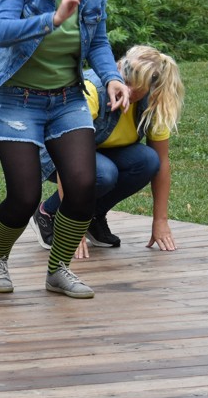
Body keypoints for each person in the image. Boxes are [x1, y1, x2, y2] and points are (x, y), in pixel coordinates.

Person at [0, 0, 129, 299]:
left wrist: (113, 78)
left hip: (67, 98)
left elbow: (98, 40)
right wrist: (53, 18)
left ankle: (58, 270)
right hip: (16, 100)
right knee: (24, 196)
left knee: (83, 185)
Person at [32, 45, 186, 255]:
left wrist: (160, 220)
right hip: (55, 154)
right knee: (103, 173)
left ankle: (92, 216)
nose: (127, 91)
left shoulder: (154, 101)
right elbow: (67, 156)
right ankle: (49, 213)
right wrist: (71, 226)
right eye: (125, 82)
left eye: (136, 89)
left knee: (148, 161)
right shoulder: (92, 90)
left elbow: (162, 162)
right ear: (118, 67)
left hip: (100, 154)